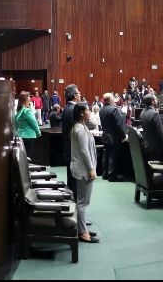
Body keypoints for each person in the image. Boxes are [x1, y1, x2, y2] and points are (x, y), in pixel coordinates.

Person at [70, 102, 99, 243]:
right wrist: (91, 169)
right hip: (83, 170)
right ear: (81, 112)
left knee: (82, 201)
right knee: (83, 202)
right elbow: (84, 151)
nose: (89, 112)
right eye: (87, 110)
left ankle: (82, 229)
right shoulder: (80, 129)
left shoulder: (80, 126)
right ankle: (82, 232)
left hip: (82, 168)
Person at [99, 93, 127, 182]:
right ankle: (112, 176)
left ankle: (105, 174)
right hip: (113, 136)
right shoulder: (114, 109)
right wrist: (123, 136)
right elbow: (118, 124)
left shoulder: (101, 109)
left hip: (105, 136)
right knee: (113, 156)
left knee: (106, 155)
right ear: (110, 100)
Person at [62, 84, 81, 197]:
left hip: (69, 147)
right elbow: (76, 131)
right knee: (75, 177)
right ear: (74, 95)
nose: (80, 95)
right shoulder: (73, 109)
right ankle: (75, 202)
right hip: (73, 148)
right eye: (79, 93)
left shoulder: (66, 108)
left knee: (71, 176)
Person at [14, 91, 41, 160]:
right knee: (27, 158)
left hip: (20, 136)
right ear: (26, 99)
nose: (30, 99)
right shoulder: (27, 110)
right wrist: (38, 132)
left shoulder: (19, 111)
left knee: (23, 158)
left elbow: (16, 124)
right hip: (29, 136)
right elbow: (34, 122)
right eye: (29, 97)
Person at [140, 94, 163, 162]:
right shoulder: (154, 114)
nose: (156, 100)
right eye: (155, 99)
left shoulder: (142, 112)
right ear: (152, 101)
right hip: (155, 148)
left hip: (146, 145)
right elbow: (160, 133)